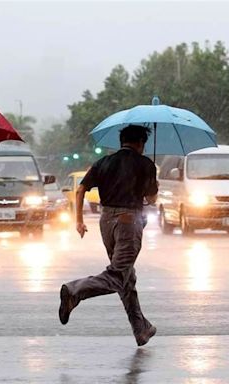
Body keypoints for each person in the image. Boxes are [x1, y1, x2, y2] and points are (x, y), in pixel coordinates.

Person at [58, 124, 158, 347]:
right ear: (141, 143)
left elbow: (80, 189)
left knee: (126, 277)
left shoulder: (104, 162)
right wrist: (152, 184)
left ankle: (141, 329)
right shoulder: (145, 164)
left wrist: (79, 221)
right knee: (117, 275)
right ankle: (74, 291)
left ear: (122, 141)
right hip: (128, 222)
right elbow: (151, 199)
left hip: (106, 222)